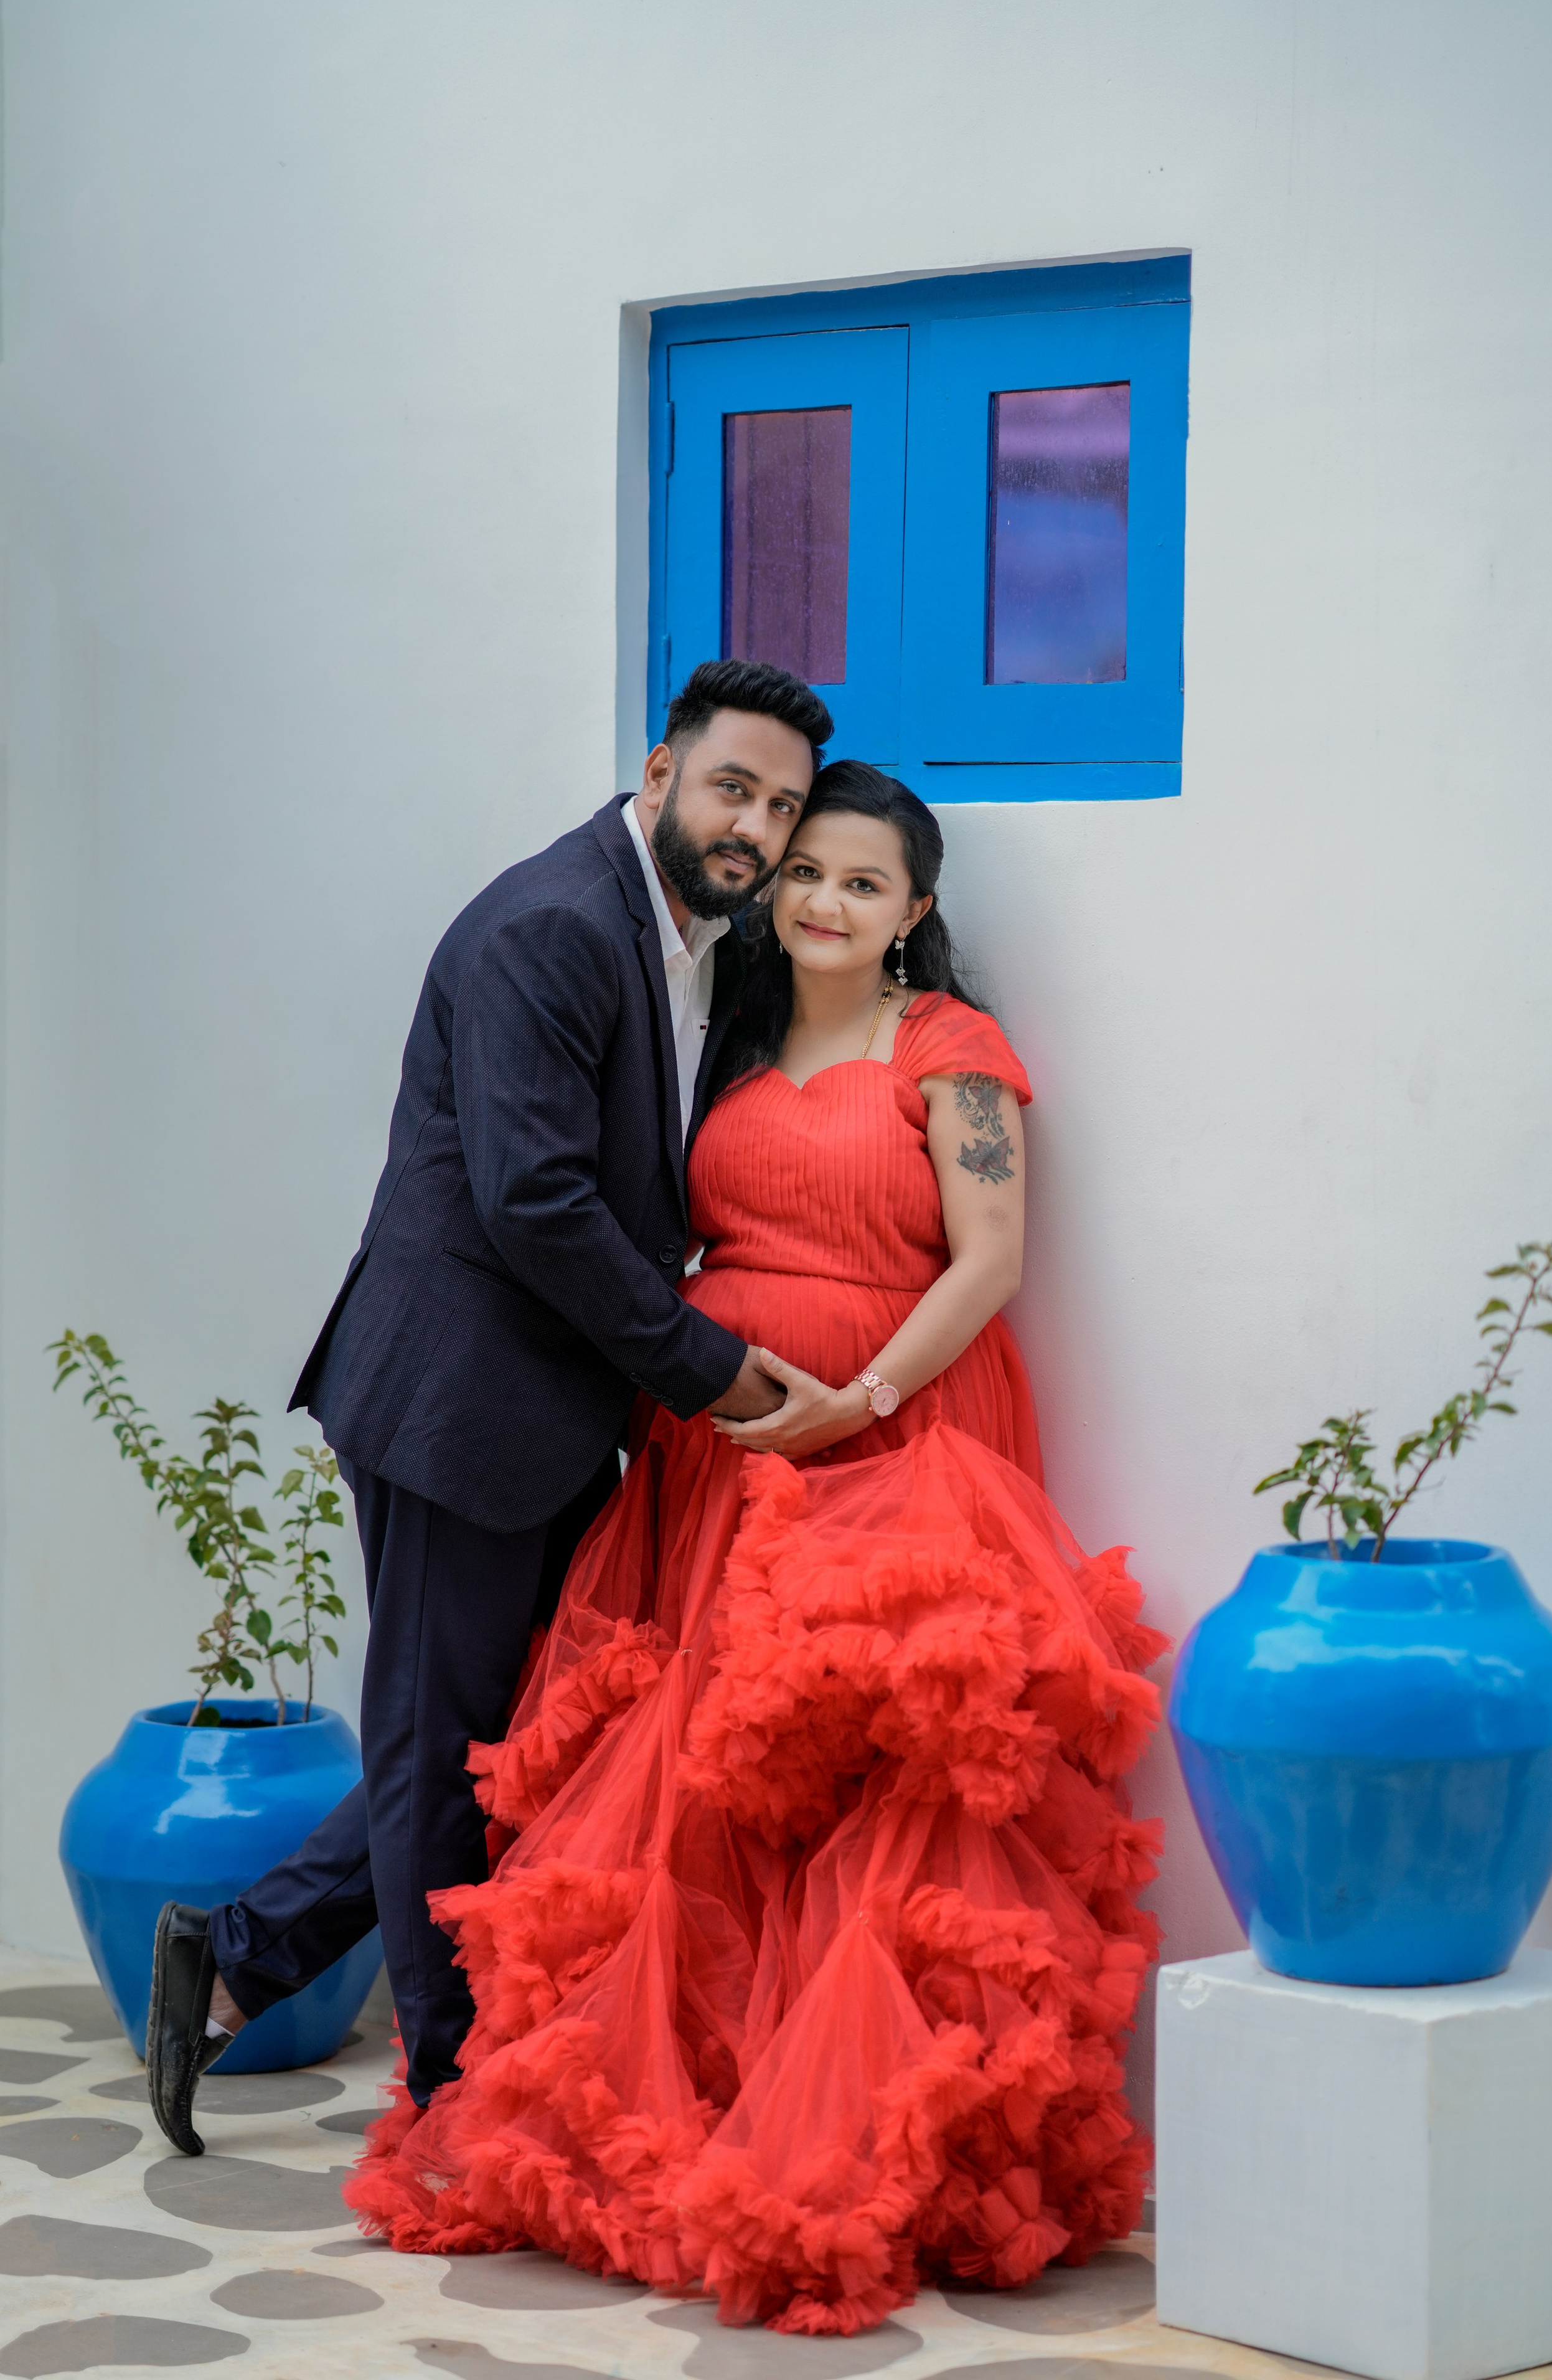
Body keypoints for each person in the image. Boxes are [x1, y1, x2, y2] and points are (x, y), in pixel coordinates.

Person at [345, 762, 1167, 2335]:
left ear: (914, 909)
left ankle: (847, 2126)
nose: (824, 901)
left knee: (874, 1787)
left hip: (897, 1448)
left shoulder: (948, 1049)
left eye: (863, 881)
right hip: (715, 1457)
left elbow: (989, 1261)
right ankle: (699, 2106)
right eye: (806, 871)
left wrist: (858, 1400)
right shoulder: (724, 1036)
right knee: (697, 1767)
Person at [144, 659, 834, 2158]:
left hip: (560, 1410)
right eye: (732, 787)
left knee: (514, 1736)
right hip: (457, 1403)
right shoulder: (553, 924)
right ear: (660, 773)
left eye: (781, 808)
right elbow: (536, 1201)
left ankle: (240, 1954)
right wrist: (708, 1367)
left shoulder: (696, 944)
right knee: (443, 1745)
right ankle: (453, 2099)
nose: (755, 828)